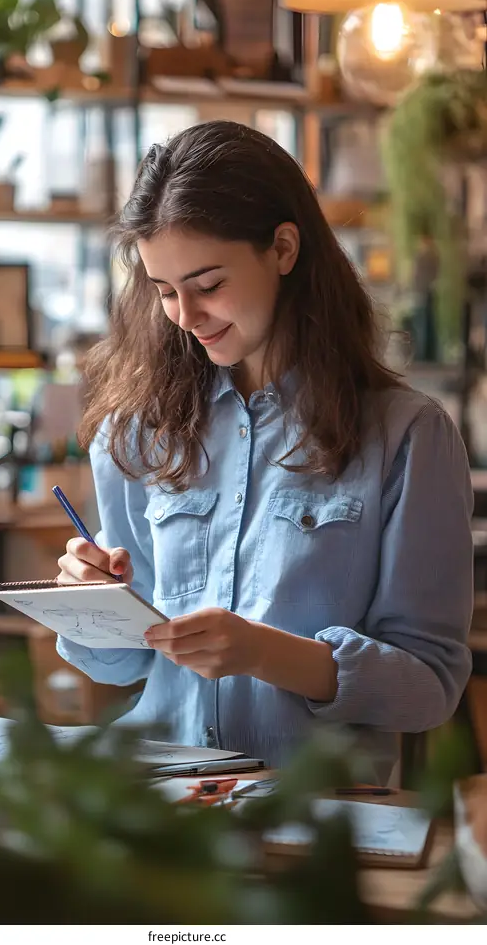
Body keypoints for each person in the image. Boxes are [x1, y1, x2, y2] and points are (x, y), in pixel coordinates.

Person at [56, 120, 473, 777]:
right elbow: (124, 663)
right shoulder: (136, 433)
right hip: (162, 807)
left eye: (207, 283)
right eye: (164, 291)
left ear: (283, 248)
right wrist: (90, 604)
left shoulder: (407, 438)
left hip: (320, 824)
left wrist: (264, 653)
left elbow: (431, 686)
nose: (185, 316)